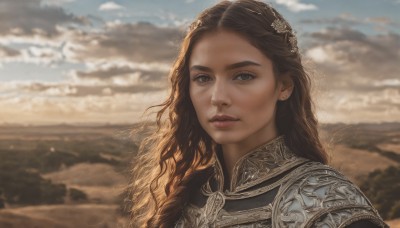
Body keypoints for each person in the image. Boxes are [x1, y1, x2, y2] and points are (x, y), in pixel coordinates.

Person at [130, 0, 388, 227]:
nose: (218, 97)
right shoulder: (188, 194)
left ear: (284, 85)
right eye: (203, 77)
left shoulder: (327, 207)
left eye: (243, 76)